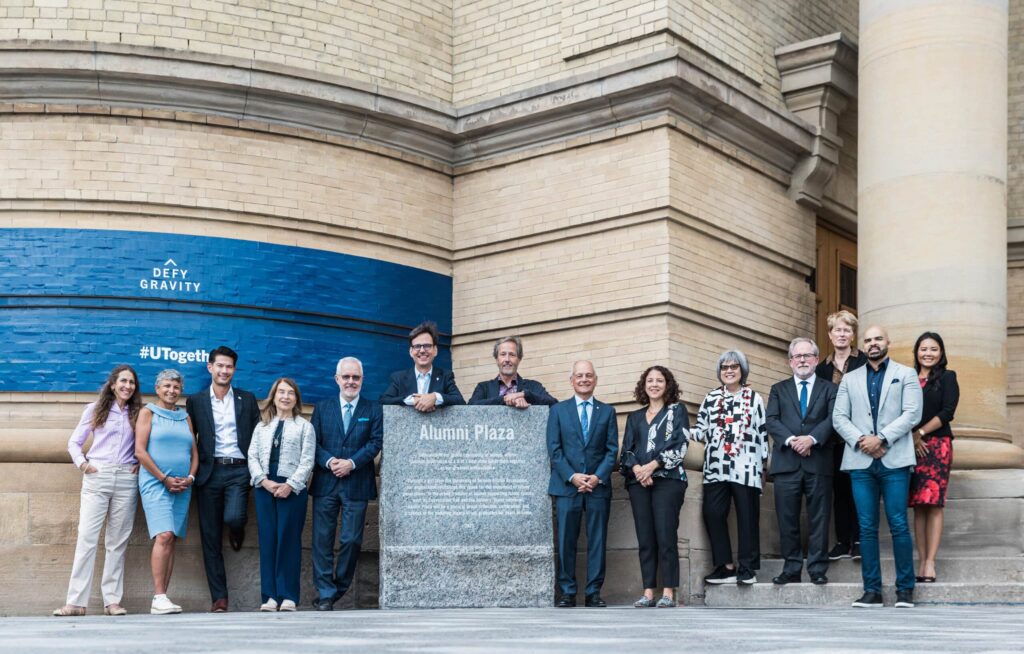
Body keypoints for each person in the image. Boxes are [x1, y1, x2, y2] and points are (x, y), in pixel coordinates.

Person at [833, 325, 923, 608]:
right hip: (860, 461)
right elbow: (839, 418)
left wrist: (882, 438)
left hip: (894, 458)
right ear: (864, 345)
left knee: (898, 524)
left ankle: (905, 590)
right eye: (868, 340)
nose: (873, 344)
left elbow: (912, 413)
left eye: (878, 339)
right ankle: (871, 591)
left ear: (888, 342)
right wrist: (862, 440)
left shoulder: (905, 374)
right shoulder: (850, 378)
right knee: (867, 527)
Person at [53, 365, 143, 617]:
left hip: (126, 478)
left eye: (132, 382)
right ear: (113, 384)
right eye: (123, 381)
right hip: (98, 475)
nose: (128, 386)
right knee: (87, 538)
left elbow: (144, 444)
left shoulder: (139, 413)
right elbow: (74, 442)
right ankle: (76, 603)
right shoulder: (95, 409)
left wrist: (138, 463)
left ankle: (112, 601)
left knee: (117, 542)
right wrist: (83, 464)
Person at [185, 345, 261, 613]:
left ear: (234, 370)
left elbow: (258, 437)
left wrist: (257, 470)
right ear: (210, 367)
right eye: (220, 365)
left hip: (240, 470)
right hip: (209, 473)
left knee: (233, 517)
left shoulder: (247, 399)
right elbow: (188, 439)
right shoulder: (195, 401)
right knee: (210, 537)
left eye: (229, 366)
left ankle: (237, 527)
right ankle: (219, 598)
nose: (224, 370)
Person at [309, 357, 384, 611]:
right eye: (347, 377)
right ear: (337, 379)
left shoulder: (373, 409)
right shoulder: (322, 408)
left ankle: (336, 589)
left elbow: (375, 443)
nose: (351, 381)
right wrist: (330, 461)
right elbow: (313, 444)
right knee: (321, 540)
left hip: (357, 483)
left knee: (351, 540)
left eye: (356, 377)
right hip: (326, 482)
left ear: (362, 380)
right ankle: (326, 593)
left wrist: (351, 463)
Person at [691, 349, 768, 586]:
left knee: (747, 517)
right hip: (716, 466)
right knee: (712, 513)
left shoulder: (754, 398)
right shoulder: (711, 398)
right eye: (725, 368)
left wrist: (763, 465)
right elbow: (701, 430)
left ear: (742, 371)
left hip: (746, 466)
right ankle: (725, 566)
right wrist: (678, 433)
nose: (729, 371)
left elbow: (762, 431)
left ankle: (747, 568)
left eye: (734, 367)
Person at [765, 338, 838, 585]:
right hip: (787, 463)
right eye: (798, 356)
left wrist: (812, 439)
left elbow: (833, 419)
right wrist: (794, 440)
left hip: (818, 462)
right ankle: (791, 568)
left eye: (808, 356)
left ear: (817, 360)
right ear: (790, 362)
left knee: (819, 518)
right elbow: (772, 420)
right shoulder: (778, 389)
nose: (803, 360)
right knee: (787, 519)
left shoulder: (830, 389)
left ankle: (817, 569)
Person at [547, 360, 618, 608]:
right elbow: (554, 450)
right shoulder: (558, 410)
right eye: (579, 375)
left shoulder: (607, 412)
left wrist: (596, 477)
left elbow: (612, 451)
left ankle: (593, 593)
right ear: (572, 380)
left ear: (595, 379)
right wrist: (573, 476)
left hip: (598, 487)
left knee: (597, 540)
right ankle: (567, 592)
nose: (584, 379)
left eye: (589, 375)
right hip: (567, 487)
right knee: (566, 540)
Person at [619, 365, 689, 608]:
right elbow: (627, 450)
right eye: (650, 380)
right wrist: (639, 470)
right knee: (646, 537)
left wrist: (653, 466)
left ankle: (668, 592)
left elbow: (679, 445)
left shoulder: (677, 411)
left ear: (667, 385)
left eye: (660, 380)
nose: (655, 384)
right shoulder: (634, 417)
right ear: (644, 385)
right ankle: (648, 591)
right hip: (639, 482)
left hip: (668, 481)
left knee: (665, 534)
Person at [248, 378, 316, 612]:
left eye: (290, 393)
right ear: (273, 396)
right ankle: (269, 597)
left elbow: (307, 460)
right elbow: (252, 456)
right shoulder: (262, 426)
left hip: (292, 491)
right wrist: (263, 481)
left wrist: (290, 484)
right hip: (265, 488)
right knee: (268, 541)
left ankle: (288, 596)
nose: (285, 397)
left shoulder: (305, 426)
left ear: (296, 398)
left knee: (288, 541)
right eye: (281, 392)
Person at [135, 369, 199, 615]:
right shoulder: (147, 412)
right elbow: (140, 451)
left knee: (171, 538)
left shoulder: (185, 417)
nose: (171, 390)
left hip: (182, 486)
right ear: (158, 388)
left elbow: (194, 453)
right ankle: (158, 596)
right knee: (163, 535)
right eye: (167, 386)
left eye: (176, 386)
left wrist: (190, 477)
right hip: (155, 483)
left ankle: (163, 597)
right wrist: (164, 478)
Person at [816, 310, 869, 561]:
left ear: (853, 334)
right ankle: (841, 540)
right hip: (833, 439)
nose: (842, 334)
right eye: (837, 329)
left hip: (859, 436)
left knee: (858, 486)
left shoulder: (865, 362)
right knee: (838, 489)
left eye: (847, 330)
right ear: (829, 334)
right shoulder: (821, 369)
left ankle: (859, 540)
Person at [908, 332, 959, 583]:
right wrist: (911, 437)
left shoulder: (948, 377)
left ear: (941, 353)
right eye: (923, 348)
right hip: (911, 447)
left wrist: (920, 433)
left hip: (937, 445)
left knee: (935, 503)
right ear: (916, 352)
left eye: (934, 349)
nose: (928, 353)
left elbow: (948, 411)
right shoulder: (907, 378)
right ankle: (920, 559)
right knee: (918, 505)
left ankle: (930, 563)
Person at [380, 321, 465, 409]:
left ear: (435, 350)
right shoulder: (399, 378)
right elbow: (383, 401)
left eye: (427, 345)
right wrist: (412, 400)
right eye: (417, 346)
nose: (422, 350)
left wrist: (435, 398)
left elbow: (460, 401)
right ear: (411, 351)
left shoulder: (445, 376)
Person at [468, 335, 557, 408]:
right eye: (503, 354)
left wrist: (524, 395)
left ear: (519, 359)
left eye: (512, 355)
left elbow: (554, 404)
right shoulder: (483, 388)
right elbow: (470, 407)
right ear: (497, 359)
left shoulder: (534, 386)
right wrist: (504, 399)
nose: (507, 359)